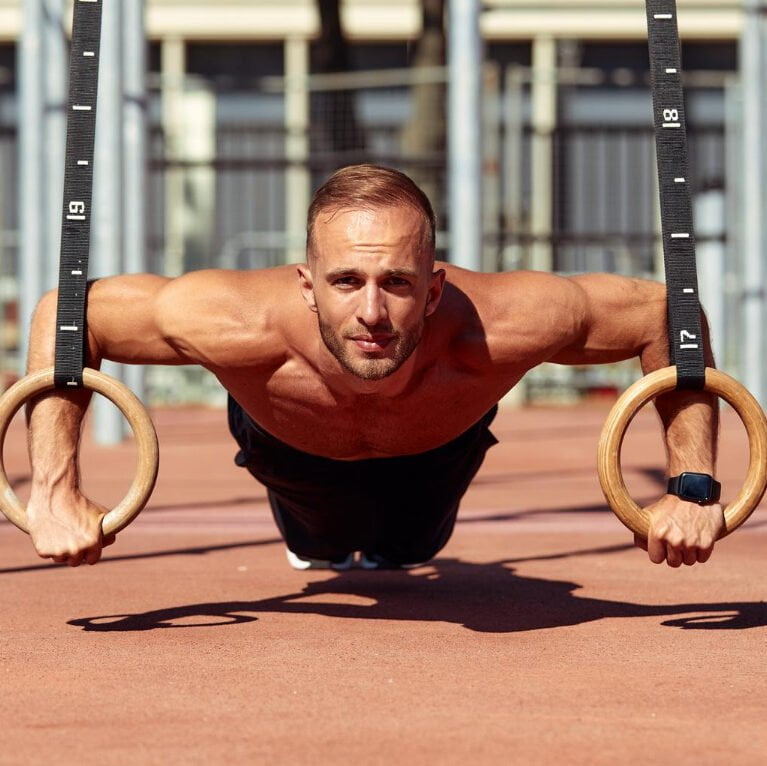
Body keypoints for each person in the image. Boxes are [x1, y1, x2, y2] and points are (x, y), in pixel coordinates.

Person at [24, 164, 723, 570]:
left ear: (434, 287)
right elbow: (68, 313)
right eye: (345, 282)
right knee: (321, 544)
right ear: (306, 284)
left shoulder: (508, 320)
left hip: (437, 450)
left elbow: (668, 316)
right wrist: (55, 488)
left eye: (396, 282)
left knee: (406, 551)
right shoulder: (235, 318)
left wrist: (690, 485)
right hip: (290, 445)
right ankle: (314, 535)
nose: (371, 313)